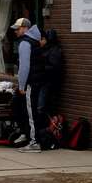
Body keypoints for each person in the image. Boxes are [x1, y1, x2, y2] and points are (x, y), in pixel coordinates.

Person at [11, 18, 45, 153]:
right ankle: (31, 137)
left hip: (30, 82)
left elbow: (24, 67)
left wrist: (21, 85)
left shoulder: (25, 43)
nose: (15, 31)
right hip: (38, 80)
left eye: (18, 29)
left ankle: (34, 142)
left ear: (25, 28)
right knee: (33, 111)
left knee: (31, 112)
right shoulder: (35, 41)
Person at [37, 29, 63, 117]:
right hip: (43, 81)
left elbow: (55, 67)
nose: (39, 41)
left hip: (48, 82)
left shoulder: (54, 51)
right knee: (41, 105)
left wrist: (41, 68)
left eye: (41, 39)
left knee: (42, 106)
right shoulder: (45, 49)